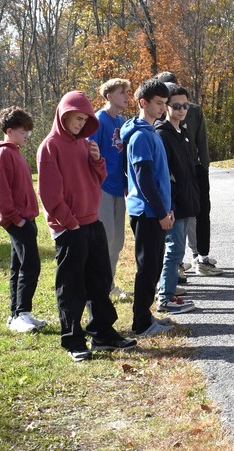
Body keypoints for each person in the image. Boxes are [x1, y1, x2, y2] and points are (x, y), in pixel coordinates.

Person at [37, 91, 136, 362]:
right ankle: (73, 340)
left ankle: (103, 333)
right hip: (70, 227)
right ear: (63, 115)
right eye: (76, 118)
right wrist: (69, 223)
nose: (81, 124)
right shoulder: (50, 146)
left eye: (84, 119)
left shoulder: (85, 142)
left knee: (100, 280)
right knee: (72, 286)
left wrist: (96, 159)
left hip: (94, 221)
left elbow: (99, 178)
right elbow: (49, 193)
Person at [121, 78, 177, 337]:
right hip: (147, 213)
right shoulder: (141, 135)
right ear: (143, 103)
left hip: (157, 211)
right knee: (148, 267)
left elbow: (161, 176)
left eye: (165, 103)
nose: (163, 108)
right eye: (158, 103)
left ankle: (146, 315)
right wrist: (161, 212)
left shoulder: (151, 131)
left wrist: (169, 207)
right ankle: (141, 323)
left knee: (154, 266)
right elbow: (144, 179)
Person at [0, 106, 47, 334]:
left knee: (18, 266)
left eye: (28, 132)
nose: (27, 136)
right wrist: (15, 219)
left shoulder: (14, 151)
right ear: (9, 130)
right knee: (30, 265)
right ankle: (21, 312)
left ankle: (17, 314)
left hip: (25, 218)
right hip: (18, 221)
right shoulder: (2, 154)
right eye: (23, 131)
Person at [155, 71, 221, 275]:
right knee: (177, 215)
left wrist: (205, 166)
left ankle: (201, 257)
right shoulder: (159, 114)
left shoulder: (194, 110)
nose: (180, 108)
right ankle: (176, 263)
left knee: (201, 212)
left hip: (195, 168)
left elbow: (202, 140)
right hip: (174, 171)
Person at [155, 84, 200, 316]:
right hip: (173, 203)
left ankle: (168, 291)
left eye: (185, 106)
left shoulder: (181, 131)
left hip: (185, 200)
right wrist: (168, 205)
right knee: (173, 250)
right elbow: (163, 174)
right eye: (176, 106)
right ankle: (165, 297)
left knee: (177, 251)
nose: (182, 110)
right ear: (166, 107)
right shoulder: (162, 133)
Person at [88, 78, 131, 299]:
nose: (126, 96)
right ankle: (101, 287)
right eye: (121, 92)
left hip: (117, 187)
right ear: (108, 96)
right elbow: (89, 152)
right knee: (106, 238)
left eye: (127, 92)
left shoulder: (122, 121)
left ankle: (109, 285)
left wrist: (125, 182)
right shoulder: (98, 120)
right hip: (101, 187)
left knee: (118, 241)